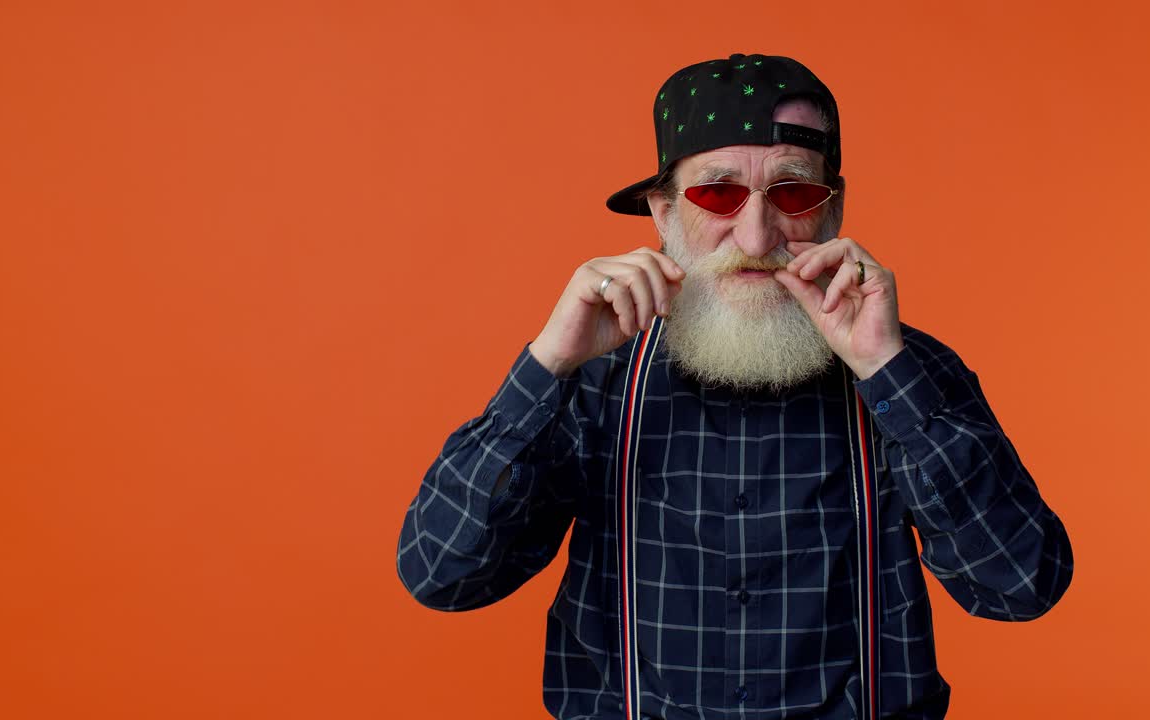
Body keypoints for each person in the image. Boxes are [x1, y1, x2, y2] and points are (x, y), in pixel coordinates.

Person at [396, 52, 1072, 720]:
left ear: (833, 212)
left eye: (793, 192)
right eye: (718, 193)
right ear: (661, 214)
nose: (755, 233)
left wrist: (887, 374)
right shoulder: (592, 375)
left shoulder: (907, 370)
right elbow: (442, 574)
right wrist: (545, 365)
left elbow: (1020, 587)